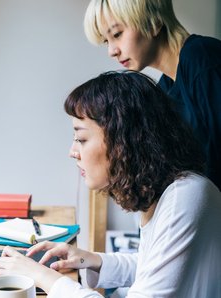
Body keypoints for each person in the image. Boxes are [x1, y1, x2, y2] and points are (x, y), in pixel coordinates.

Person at [0, 71, 221, 298]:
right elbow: (153, 265)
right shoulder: (169, 193)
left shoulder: (186, 196)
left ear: (123, 139)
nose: (72, 152)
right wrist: (89, 259)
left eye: (81, 139)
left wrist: (42, 276)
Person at [83, 0, 221, 191]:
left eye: (117, 34)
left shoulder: (202, 58)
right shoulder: (164, 88)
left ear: (154, 23)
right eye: (107, 41)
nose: (112, 51)